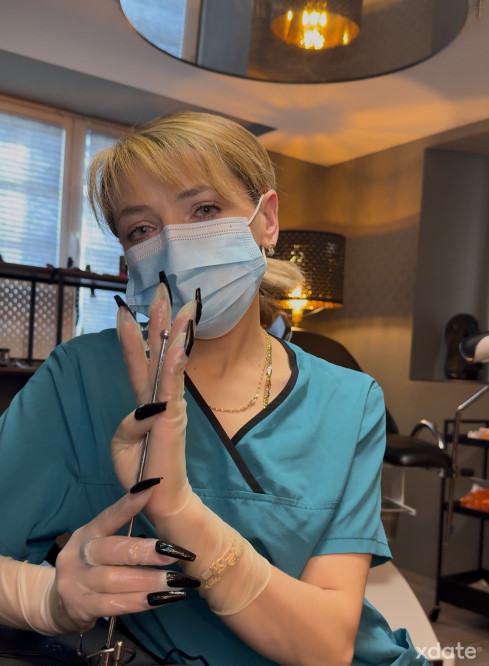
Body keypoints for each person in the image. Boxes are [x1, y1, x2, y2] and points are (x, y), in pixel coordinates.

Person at [0, 111, 426, 665]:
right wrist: (49, 601)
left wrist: (180, 513)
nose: (175, 247)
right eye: (142, 229)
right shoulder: (80, 379)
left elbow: (328, 647)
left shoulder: (351, 400)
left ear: (266, 220)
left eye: (204, 210)